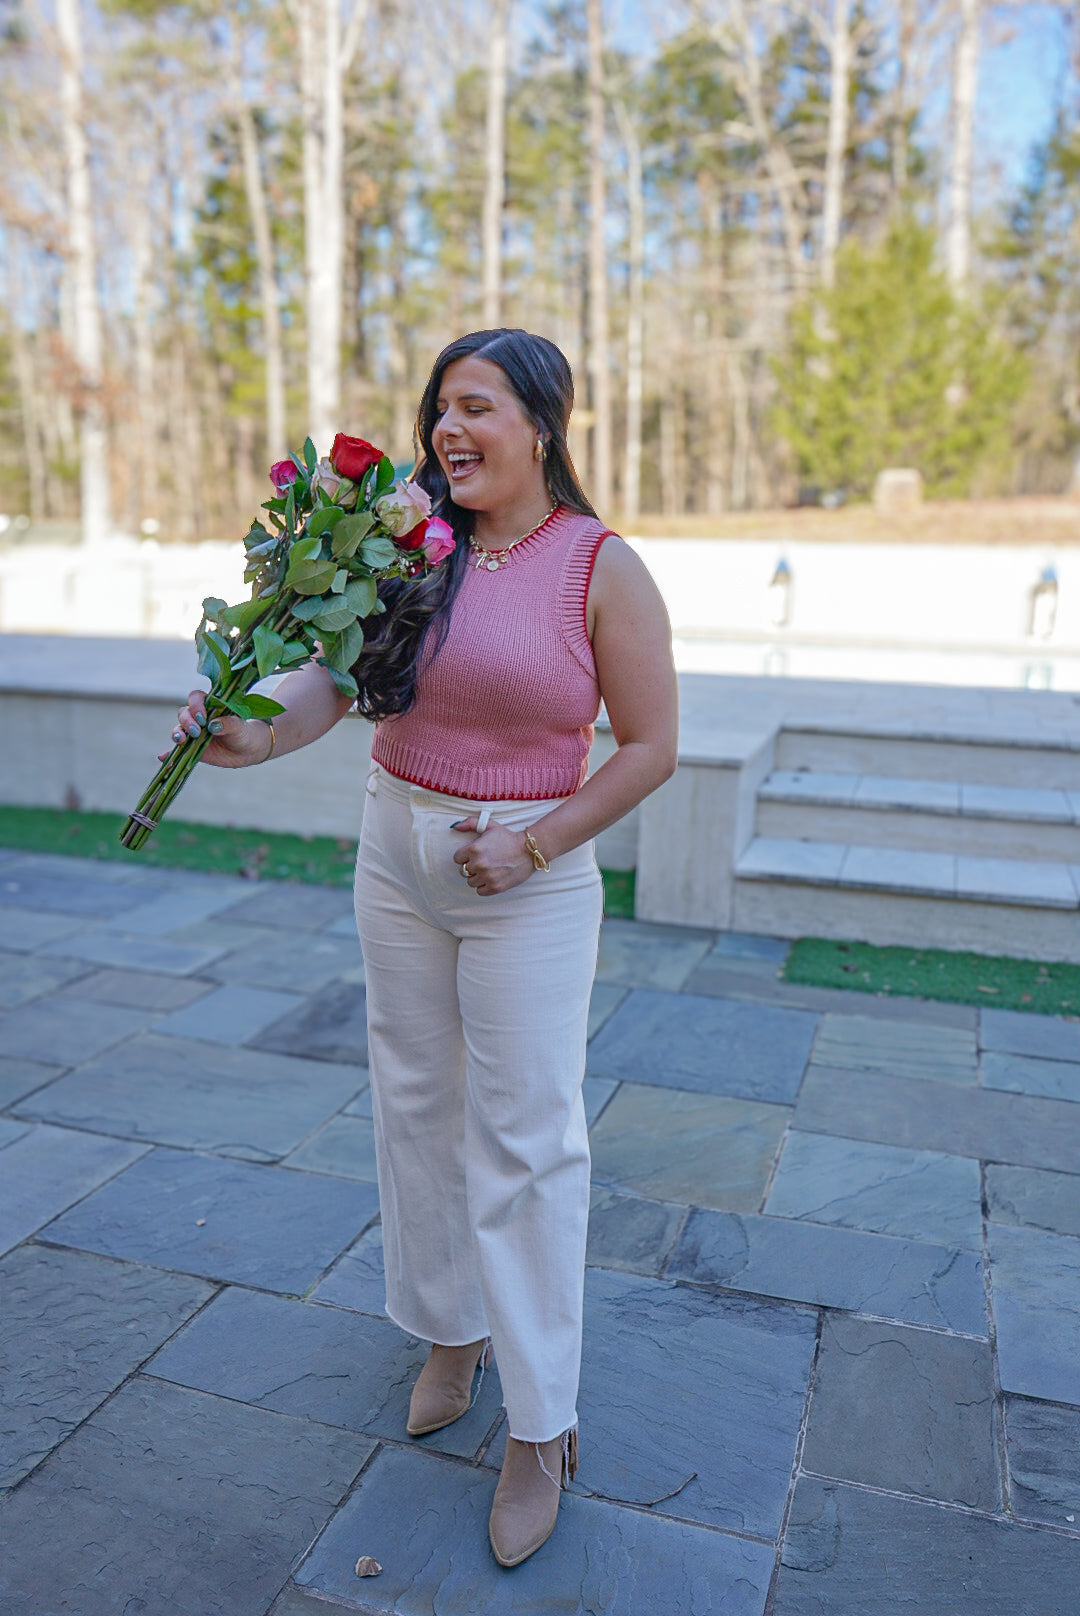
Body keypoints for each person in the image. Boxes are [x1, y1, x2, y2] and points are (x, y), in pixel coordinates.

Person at [167, 328, 678, 1568]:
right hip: (394, 850)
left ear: (543, 423)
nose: (449, 432)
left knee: (525, 1140)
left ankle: (541, 1424)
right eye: (439, 410)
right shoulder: (414, 542)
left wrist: (541, 843)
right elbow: (337, 685)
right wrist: (247, 734)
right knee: (413, 1103)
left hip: (520, 876)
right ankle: (451, 1330)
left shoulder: (600, 568)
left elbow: (653, 744)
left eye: (477, 407)